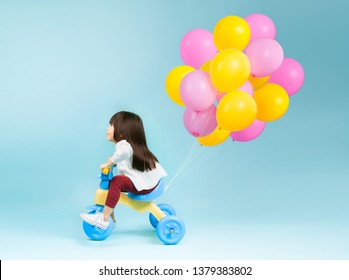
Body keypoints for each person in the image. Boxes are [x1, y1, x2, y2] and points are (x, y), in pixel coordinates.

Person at [80, 111, 167, 229]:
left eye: (111, 125)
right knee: (114, 186)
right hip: (148, 183)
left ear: (121, 133)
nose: (107, 128)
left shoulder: (124, 146)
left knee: (117, 182)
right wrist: (113, 164)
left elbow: (123, 153)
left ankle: (104, 218)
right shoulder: (129, 146)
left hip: (145, 186)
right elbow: (125, 159)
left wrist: (110, 162)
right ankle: (110, 216)